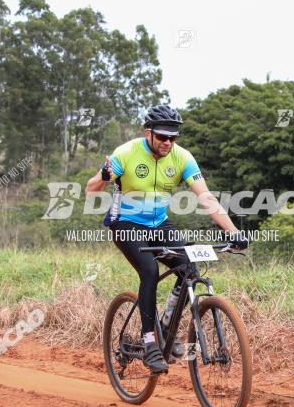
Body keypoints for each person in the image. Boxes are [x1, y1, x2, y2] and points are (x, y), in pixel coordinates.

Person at [85, 105, 248, 375]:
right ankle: (149, 341)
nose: (168, 143)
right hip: (125, 222)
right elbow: (91, 189)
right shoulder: (125, 153)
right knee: (149, 270)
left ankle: (165, 328)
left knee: (189, 268)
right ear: (148, 133)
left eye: (173, 137)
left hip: (159, 223)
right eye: (162, 137)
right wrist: (103, 176)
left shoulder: (182, 158)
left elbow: (206, 198)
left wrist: (233, 232)